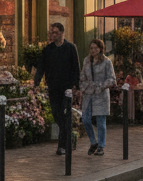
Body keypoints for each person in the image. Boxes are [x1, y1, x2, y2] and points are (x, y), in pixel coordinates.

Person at [33, 22, 81, 155]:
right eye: (51, 32)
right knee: (56, 114)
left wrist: (76, 86)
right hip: (53, 87)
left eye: (55, 32)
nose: (52, 35)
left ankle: (62, 146)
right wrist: (36, 82)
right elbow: (41, 67)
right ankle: (68, 140)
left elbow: (76, 68)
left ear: (62, 33)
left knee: (65, 115)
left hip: (67, 89)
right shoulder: (48, 49)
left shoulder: (71, 48)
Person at [79, 38, 116, 156]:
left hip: (101, 94)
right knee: (85, 119)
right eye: (91, 48)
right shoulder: (86, 61)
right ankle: (93, 141)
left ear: (100, 49)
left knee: (101, 121)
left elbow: (112, 79)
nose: (93, 50)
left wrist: (100, 86)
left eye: (95, 48)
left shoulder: (106, 62)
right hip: (88, 94)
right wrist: (85, 87)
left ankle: (101, 146)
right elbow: (82, 77)